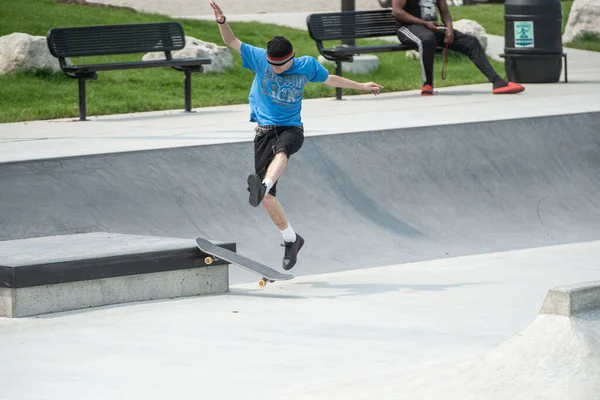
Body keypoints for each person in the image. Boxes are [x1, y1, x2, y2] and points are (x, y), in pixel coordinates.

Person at [209, 1, 383, 271]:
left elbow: (330, 80)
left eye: (281, 66)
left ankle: (265, 183)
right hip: (264, 132)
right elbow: (232, 40)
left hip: (292, 128)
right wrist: (222, 21)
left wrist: (360, 85)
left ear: (292, 58)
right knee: (266, 199)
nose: (277, 69)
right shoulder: (259, 58)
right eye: (272, 65)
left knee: (283, 152)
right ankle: (291, 239)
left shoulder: (306, 65)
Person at [391, 0, 525, 95]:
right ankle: (428, 84)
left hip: (431, 28)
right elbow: (397, 11)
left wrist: (449, 29)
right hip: (408, 28)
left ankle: (498, 83)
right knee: (427, 39)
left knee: (470, 42)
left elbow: (445, 12)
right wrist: (424, 23)